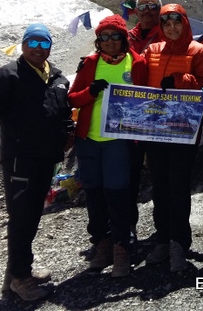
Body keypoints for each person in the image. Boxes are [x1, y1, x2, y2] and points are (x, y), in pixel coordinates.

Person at [0, 23, 72, 302]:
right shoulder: (9, 75)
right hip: (20, 159)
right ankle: (20, 278)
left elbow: (63, 111)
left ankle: (16, 275)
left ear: (50, 47)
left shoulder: (57, 77)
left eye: (44, 43)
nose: (38, 48)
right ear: (23, 44)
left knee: (32, 216)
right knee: (21, 218)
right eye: (33, 42)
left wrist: (68, 133)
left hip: (46, 158)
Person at [68, 15, 145, 278]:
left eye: (115, 36)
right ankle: (101, 245)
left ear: (124, 38)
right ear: (98, 41)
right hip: (88, 139)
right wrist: (90, 92)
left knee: (118, 194)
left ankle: (121, 247)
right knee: (94, 194)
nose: (110, 41)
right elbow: (73, 99)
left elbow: (146, 98)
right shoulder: (90, 63)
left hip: (118, 141)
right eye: (104, 37)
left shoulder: (137, 62)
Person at [141, 4, 203, 272]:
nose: (172, 28)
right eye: (167, 24)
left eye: (177, 23)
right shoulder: (151, 50)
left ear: (185, 24)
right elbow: (138, 82)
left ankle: (178, 243)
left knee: (178, 185)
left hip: (183, 128)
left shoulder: (200, 51)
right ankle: (162, 239)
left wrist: (180, 80)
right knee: (159, 185)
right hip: (154, 129)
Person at [125, 0, 163, 246]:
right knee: (128, 174)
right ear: (136, 11)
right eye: (143, 6)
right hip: (129, 115)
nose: (148, 10)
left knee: (161, 176)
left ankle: (163, 230)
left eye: (152, 7)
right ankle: (127, 229)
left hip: (159, 116)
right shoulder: (125, 38)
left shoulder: (167, 35)